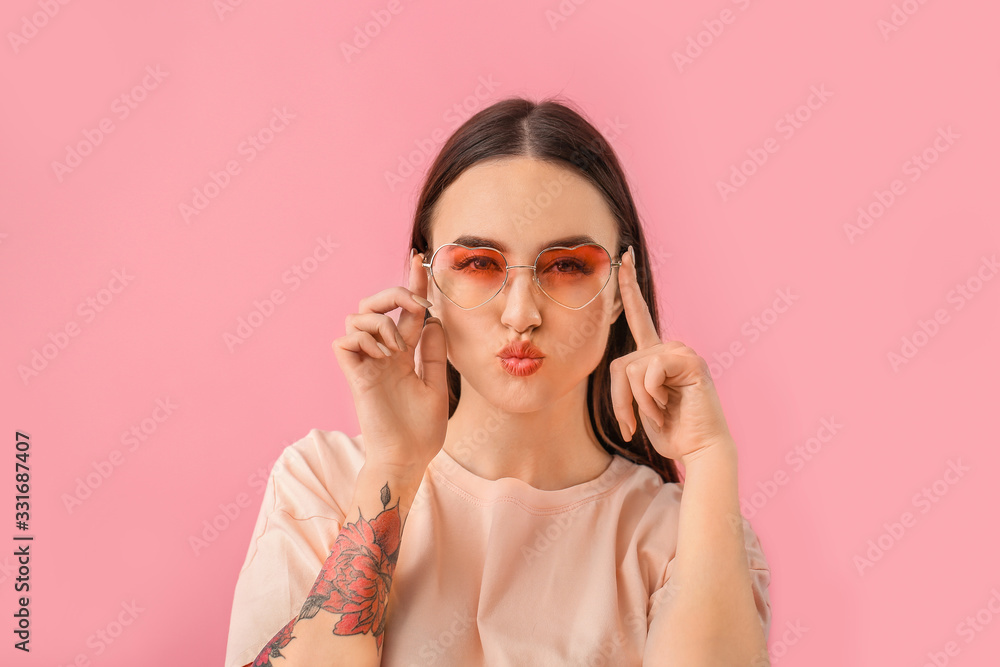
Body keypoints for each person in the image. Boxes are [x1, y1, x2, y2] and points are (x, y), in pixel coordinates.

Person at [224, 96, 773, 667]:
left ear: (618, 291)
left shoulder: (690, 536)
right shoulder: (321, 484)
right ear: (426, 282)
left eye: (566, 266)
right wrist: (394, 468)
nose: (521, 314)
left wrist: (709, 457)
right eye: (479, 264)